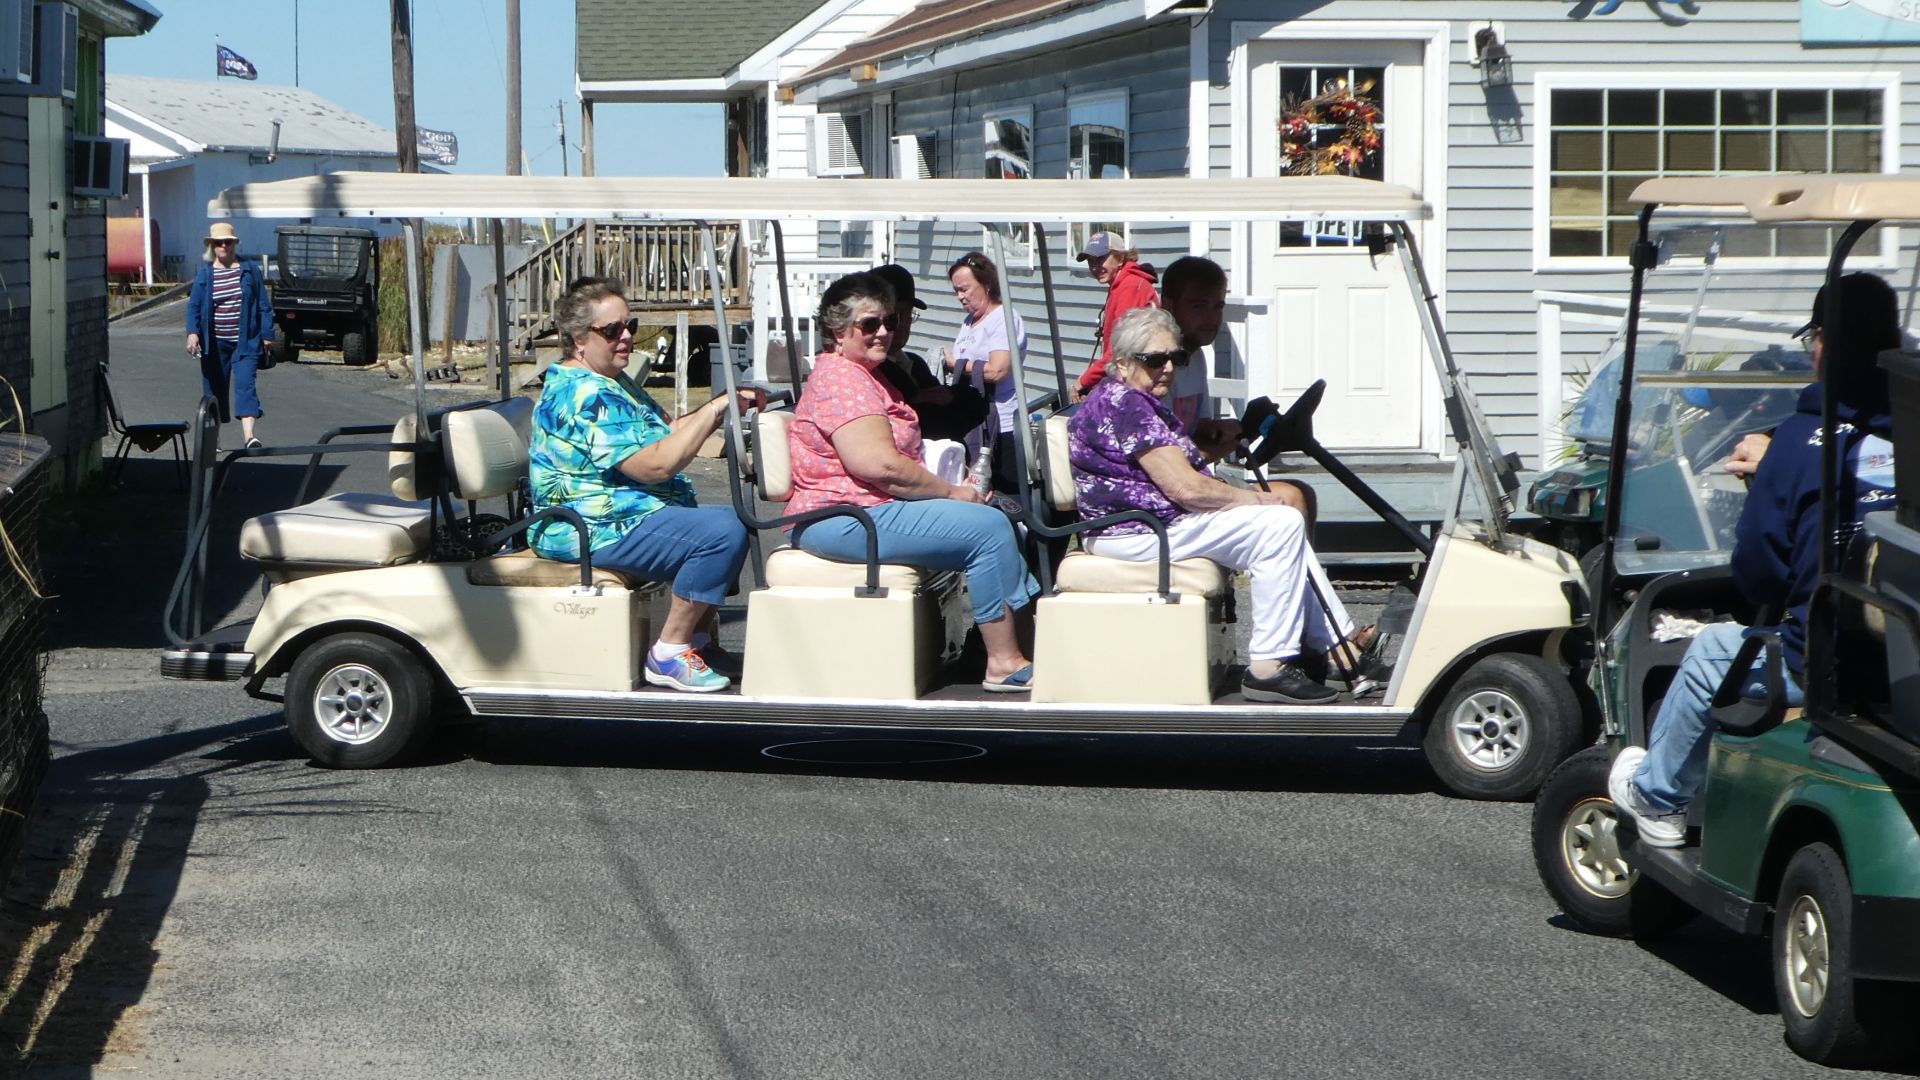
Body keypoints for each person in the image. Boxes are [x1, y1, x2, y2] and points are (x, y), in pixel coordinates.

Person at [1610, 272, 1901, 845]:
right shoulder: (1908, 433)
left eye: (1813, 339)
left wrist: (1768, 478)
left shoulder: (1798, 442)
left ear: (1824, 343)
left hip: (1831, 666)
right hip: (1903, 662)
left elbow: (1759, 575)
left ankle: (1658, 798)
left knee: (1712, 650)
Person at [1069, 306, 1356, 705]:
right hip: (1135, 531)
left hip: (1149, 524)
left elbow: (1175, 471)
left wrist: (1222, 448)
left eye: (1175, 357)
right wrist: (1256, 499)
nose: (1168, 368)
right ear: (1122, 363)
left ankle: (1340, 647)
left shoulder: (1130, 399)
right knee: (1281, 523)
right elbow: (1185, 488)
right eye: (1155, 360)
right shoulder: (1127, 406)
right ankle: (1269, 667)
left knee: (1282, 525)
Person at [789, 271, 1039, 693]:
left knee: (1002, 520)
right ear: (838, 331)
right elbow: (880, 466)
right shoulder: (842, 380)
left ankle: (1023, 648)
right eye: (869, 324)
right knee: (988, 530)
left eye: (888, 321)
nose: (883, 332)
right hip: (844, 516)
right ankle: (1002, 662)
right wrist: (952, 492)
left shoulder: (869, 374)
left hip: (870, 509)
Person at [528, 277, 764, 694]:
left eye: (630, 325)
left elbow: (667, 432)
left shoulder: (613, 380)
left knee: (728, 520)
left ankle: (698, 642)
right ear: (578, 338)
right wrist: (715, 411)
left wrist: (725, 403)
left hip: (622, 514)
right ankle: (669, 652)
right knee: (721, 532)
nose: (626, 337)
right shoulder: (583, 393)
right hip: (588, 525)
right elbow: (656, 465)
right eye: (611, 330)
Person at [867, 263, 989, 443]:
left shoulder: (914, 363)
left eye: (908, 315)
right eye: (895, 316)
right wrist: (921, 403)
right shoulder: (872, 369)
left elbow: (975, 405)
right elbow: (925, 425)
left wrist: (944, 398)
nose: (903, 324)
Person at [943, 251, 1027, 501]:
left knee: (1007, 493)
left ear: (986, 284)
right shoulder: (969, 322)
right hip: (974, 422)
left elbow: (997, 370)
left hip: (1002, 425)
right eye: (956, 291)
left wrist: (956, 364)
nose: (960, 296)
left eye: (965, 289)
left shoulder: (1003, 318)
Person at [185, 222, 276, 448]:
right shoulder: (205, 275)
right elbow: (194, 307)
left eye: (228, 242)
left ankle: (249, 437)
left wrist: (267, 335)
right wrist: (193, 333)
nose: (224, 246)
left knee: (246, 385)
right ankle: (214, 439)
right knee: (214, 390)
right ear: (212, 246)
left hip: (246, 341)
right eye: (219, 242)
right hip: (214, 343)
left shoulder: (250, 271)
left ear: (235, 244)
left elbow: (264, 306)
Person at [1073, 231, 1160, 397]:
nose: (1094, 266)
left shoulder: (1130, 286)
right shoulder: (1120, 284)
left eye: (1100, 259)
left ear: (1120, 258)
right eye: (1090, 261)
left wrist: (1083, 382)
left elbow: (1119, 348)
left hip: (1141, 381)